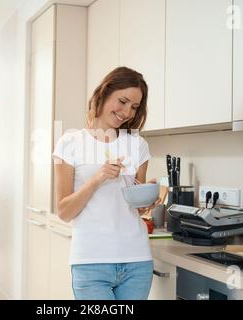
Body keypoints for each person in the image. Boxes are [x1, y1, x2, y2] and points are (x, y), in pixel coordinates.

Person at [52, 66, 163, 300]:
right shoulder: (70, 142)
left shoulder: (137, 145)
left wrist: (147, 198)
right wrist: (97, 178)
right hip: (91, 262)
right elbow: (64, 210)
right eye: (122, 101)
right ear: (104, 93)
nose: (127, 112)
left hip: (136, 260)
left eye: (134, 107)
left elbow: (137, 207)